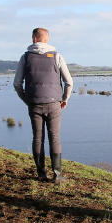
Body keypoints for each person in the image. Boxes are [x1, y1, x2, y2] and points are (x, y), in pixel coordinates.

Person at [13, 27, 73, 183]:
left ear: (34, 39)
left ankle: (41, 174)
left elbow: (17, 83)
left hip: (34, 103)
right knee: (55, 138)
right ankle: (57, 175)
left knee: (38, 138)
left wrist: (26, 99)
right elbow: (69, 82)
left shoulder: (25, 57)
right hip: (54, 103)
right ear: (47, 39)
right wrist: (64, 99)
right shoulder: (57, 56)